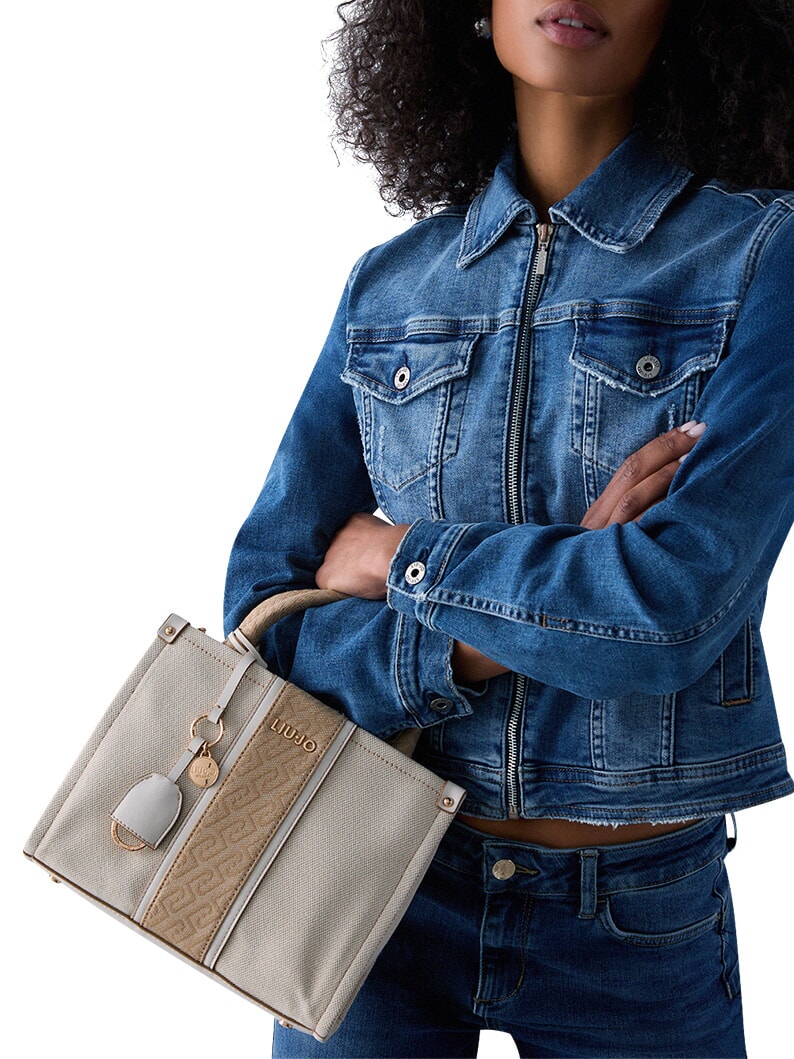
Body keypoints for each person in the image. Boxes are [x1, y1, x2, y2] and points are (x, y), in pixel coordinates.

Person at [224, 1, 794, 1055]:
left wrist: (398, 559)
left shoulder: (762, 257)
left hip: (633, 920)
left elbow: (671, 615)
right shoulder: (390, 285)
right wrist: (567, 583)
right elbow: (268, 623)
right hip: (365, 877)